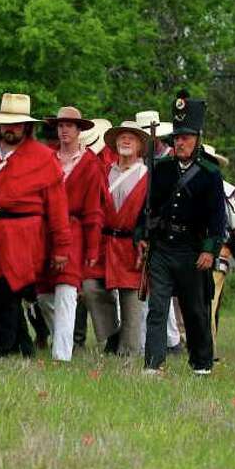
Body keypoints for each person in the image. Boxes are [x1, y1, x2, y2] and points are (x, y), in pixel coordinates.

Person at [0, 93, 70, 358]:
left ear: (27, 126)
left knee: (9, 288)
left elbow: (57, 207)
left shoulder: (43, 157)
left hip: (23, 234)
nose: (10, 129)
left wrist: (61, 246)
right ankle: (22, 345)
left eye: (16, 124)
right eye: (6, 123)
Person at [136, 90, 226, 376]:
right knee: (157, 308)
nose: (181, 142)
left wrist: (209, 250)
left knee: (195, 309)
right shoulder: (160, 170)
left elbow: (217, 217)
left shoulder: (210, 173)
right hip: (162, 248)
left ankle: (201, 363)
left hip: (192, 249)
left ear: (197, 138)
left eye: (186, 137)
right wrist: (141, 235)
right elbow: (146, 207)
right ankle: (153, 364)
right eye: (177, 137)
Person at [39, 106, 105, 362]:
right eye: (60, 125)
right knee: (43, 294)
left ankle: (61, 356)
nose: (64, 130)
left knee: (67, 289)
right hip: (45, 232)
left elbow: (94, 211)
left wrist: (91, 249)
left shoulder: (90, 164)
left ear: (80, 130)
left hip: (74, 230)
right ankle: (63, 338)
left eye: (69, 125)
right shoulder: (47, 158)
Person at [85, 119, 151, 356]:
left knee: (131, 302)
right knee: (91, 287)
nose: (125, 140)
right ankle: (112, 335)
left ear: (139, 146)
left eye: (131, 138)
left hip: (132, 246)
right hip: (104, 244)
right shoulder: (104, 172)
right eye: (122, 137)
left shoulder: (148, 176)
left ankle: (128, 352)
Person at [202, 144, 235, 340]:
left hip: (217, 254)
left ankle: (207, 349)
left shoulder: (226, 191)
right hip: (186, 252)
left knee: (210, 301)